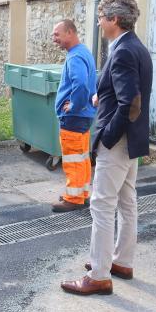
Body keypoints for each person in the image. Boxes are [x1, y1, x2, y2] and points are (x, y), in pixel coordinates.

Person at [61, 0, 152, 296]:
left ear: (114, 19)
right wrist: (104, 97)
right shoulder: (136, 47)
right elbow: (126, 93)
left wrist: (107, 139)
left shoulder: (123, 51)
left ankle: (99, 275)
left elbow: (131, 103)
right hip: (133, 140)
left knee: (101, 205)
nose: (99, 23)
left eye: (101, 18)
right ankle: (121, 262)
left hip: (119, 140)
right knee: (127, 202)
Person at [50, 20, 97, 213]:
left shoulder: (75, 57)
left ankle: (73, 199)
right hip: (83, 117)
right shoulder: (82, 51)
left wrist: (73, 106)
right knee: (82, 157)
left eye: (57, 35)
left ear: (70, 33)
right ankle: (82, 194)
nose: (54, 40)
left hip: (74, 117)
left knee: (72, 158)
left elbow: (81, 84)